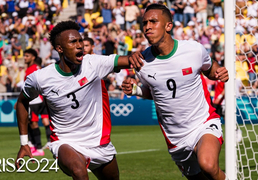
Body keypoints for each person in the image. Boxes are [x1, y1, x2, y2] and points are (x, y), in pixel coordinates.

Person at [15, 20, 143, 180]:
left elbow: (128, 60)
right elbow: (21, 102)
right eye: (73, 42)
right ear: (60, 49)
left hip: (99, 143)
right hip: (65, 142)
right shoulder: (40, 78)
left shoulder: (93, 64)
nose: (79, 45)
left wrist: (136, 57)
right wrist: (24, 142)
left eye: (80, 40)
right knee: (79, 171)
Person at [121, 4, 229, 180]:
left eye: (153, 21)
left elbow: (209, 68)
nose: (147, 26)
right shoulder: (142, 64)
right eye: (145, 22)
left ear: (168, 26)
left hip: (202, 122)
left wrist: (219, 72)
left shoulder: (193, 50)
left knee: (208, 165)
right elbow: (155, 93)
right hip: (175, 137)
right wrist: (137, 90)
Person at [22, 49, 49, 156]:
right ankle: (42, 143)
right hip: (41, 98)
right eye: (24, 56)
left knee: (33, 123)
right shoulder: (37, 68)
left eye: (27, 56)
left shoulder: (32, 69)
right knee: (44, 121)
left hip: (34, 100)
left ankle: (37, 147)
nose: (25, 58)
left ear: (33, 57)